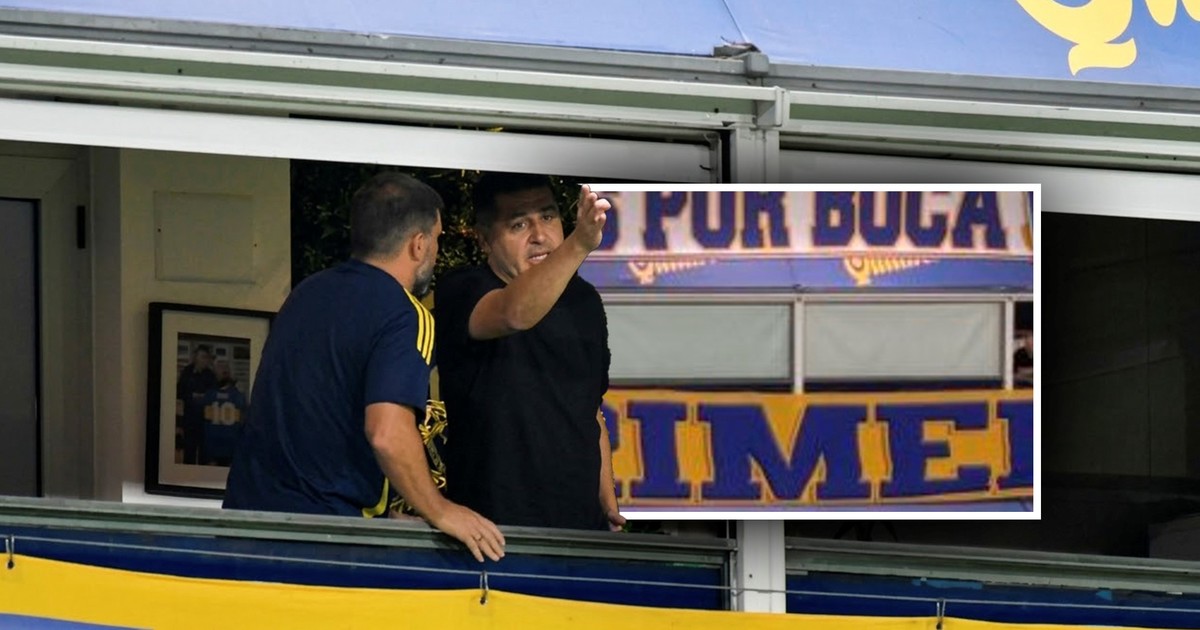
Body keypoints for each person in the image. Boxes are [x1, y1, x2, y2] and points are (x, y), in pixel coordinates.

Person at [224, 172, 504, 562]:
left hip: (243, 529)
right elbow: (387, 433)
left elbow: (309, 419)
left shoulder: (306, 294)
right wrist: (440, 510)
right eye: (437, 239)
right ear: (418, 244)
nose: (437, 251)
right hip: (325, 546)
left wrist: (384, 515)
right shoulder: (405, 314)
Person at [435, 172, 624, 531]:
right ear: (485, 240)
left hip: (581, 527)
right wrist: (579, 244)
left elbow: (590, 409)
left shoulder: (584, 301)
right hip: (492, 530)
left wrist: (607, 503)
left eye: (548, 216)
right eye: (519, 224)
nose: (539, 235)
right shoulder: (462, 289)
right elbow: (514, 314)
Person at [176, 344, 216, 465]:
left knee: (204, 451)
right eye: (202, 357)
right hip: (190, 418)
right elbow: (180, 392)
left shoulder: (210, 375)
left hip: (205, 419)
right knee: (189, 450)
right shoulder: (187, 372)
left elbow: (214, 394)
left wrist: (204, 396)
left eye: (206, 357)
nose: (204, 360)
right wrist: (191, 396)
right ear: (195, 357)